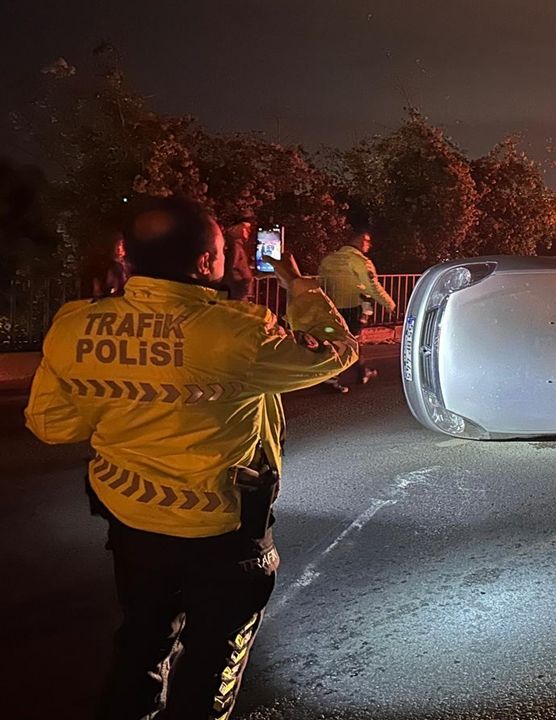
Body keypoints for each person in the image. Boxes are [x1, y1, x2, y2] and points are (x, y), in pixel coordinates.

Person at [25, 196, 357, 719]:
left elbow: (52, 425)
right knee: (215, 657)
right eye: (224, 250)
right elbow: (337, 349)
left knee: (142, 638)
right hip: (223, 531)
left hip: (131, 521)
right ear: (205, 262)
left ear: (129, 256)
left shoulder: (74, 324)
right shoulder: (241, 331)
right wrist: (299, 285)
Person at [319, 229, 397, 392]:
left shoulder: (329, 259)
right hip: (352, 308)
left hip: (331, 307)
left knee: (341, 340)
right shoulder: (359, 261)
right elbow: (373, 286)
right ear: (360, 240)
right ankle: (333, 377)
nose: (369, 244)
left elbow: (323, 283)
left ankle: (362, 371)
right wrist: (389, 304)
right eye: (367, 241)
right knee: (349, 343)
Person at [223, 216, 257, 302]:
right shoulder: (235, 246)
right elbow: (231, 266)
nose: (249, 231)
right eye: (246, 228)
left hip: (240, 289)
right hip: (238, 289)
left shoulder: (237, 245)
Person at [90, 233, 129, 297]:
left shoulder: (128, 265)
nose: (119, 249)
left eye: (121, 245)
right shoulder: (105, 265)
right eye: (117, 245)